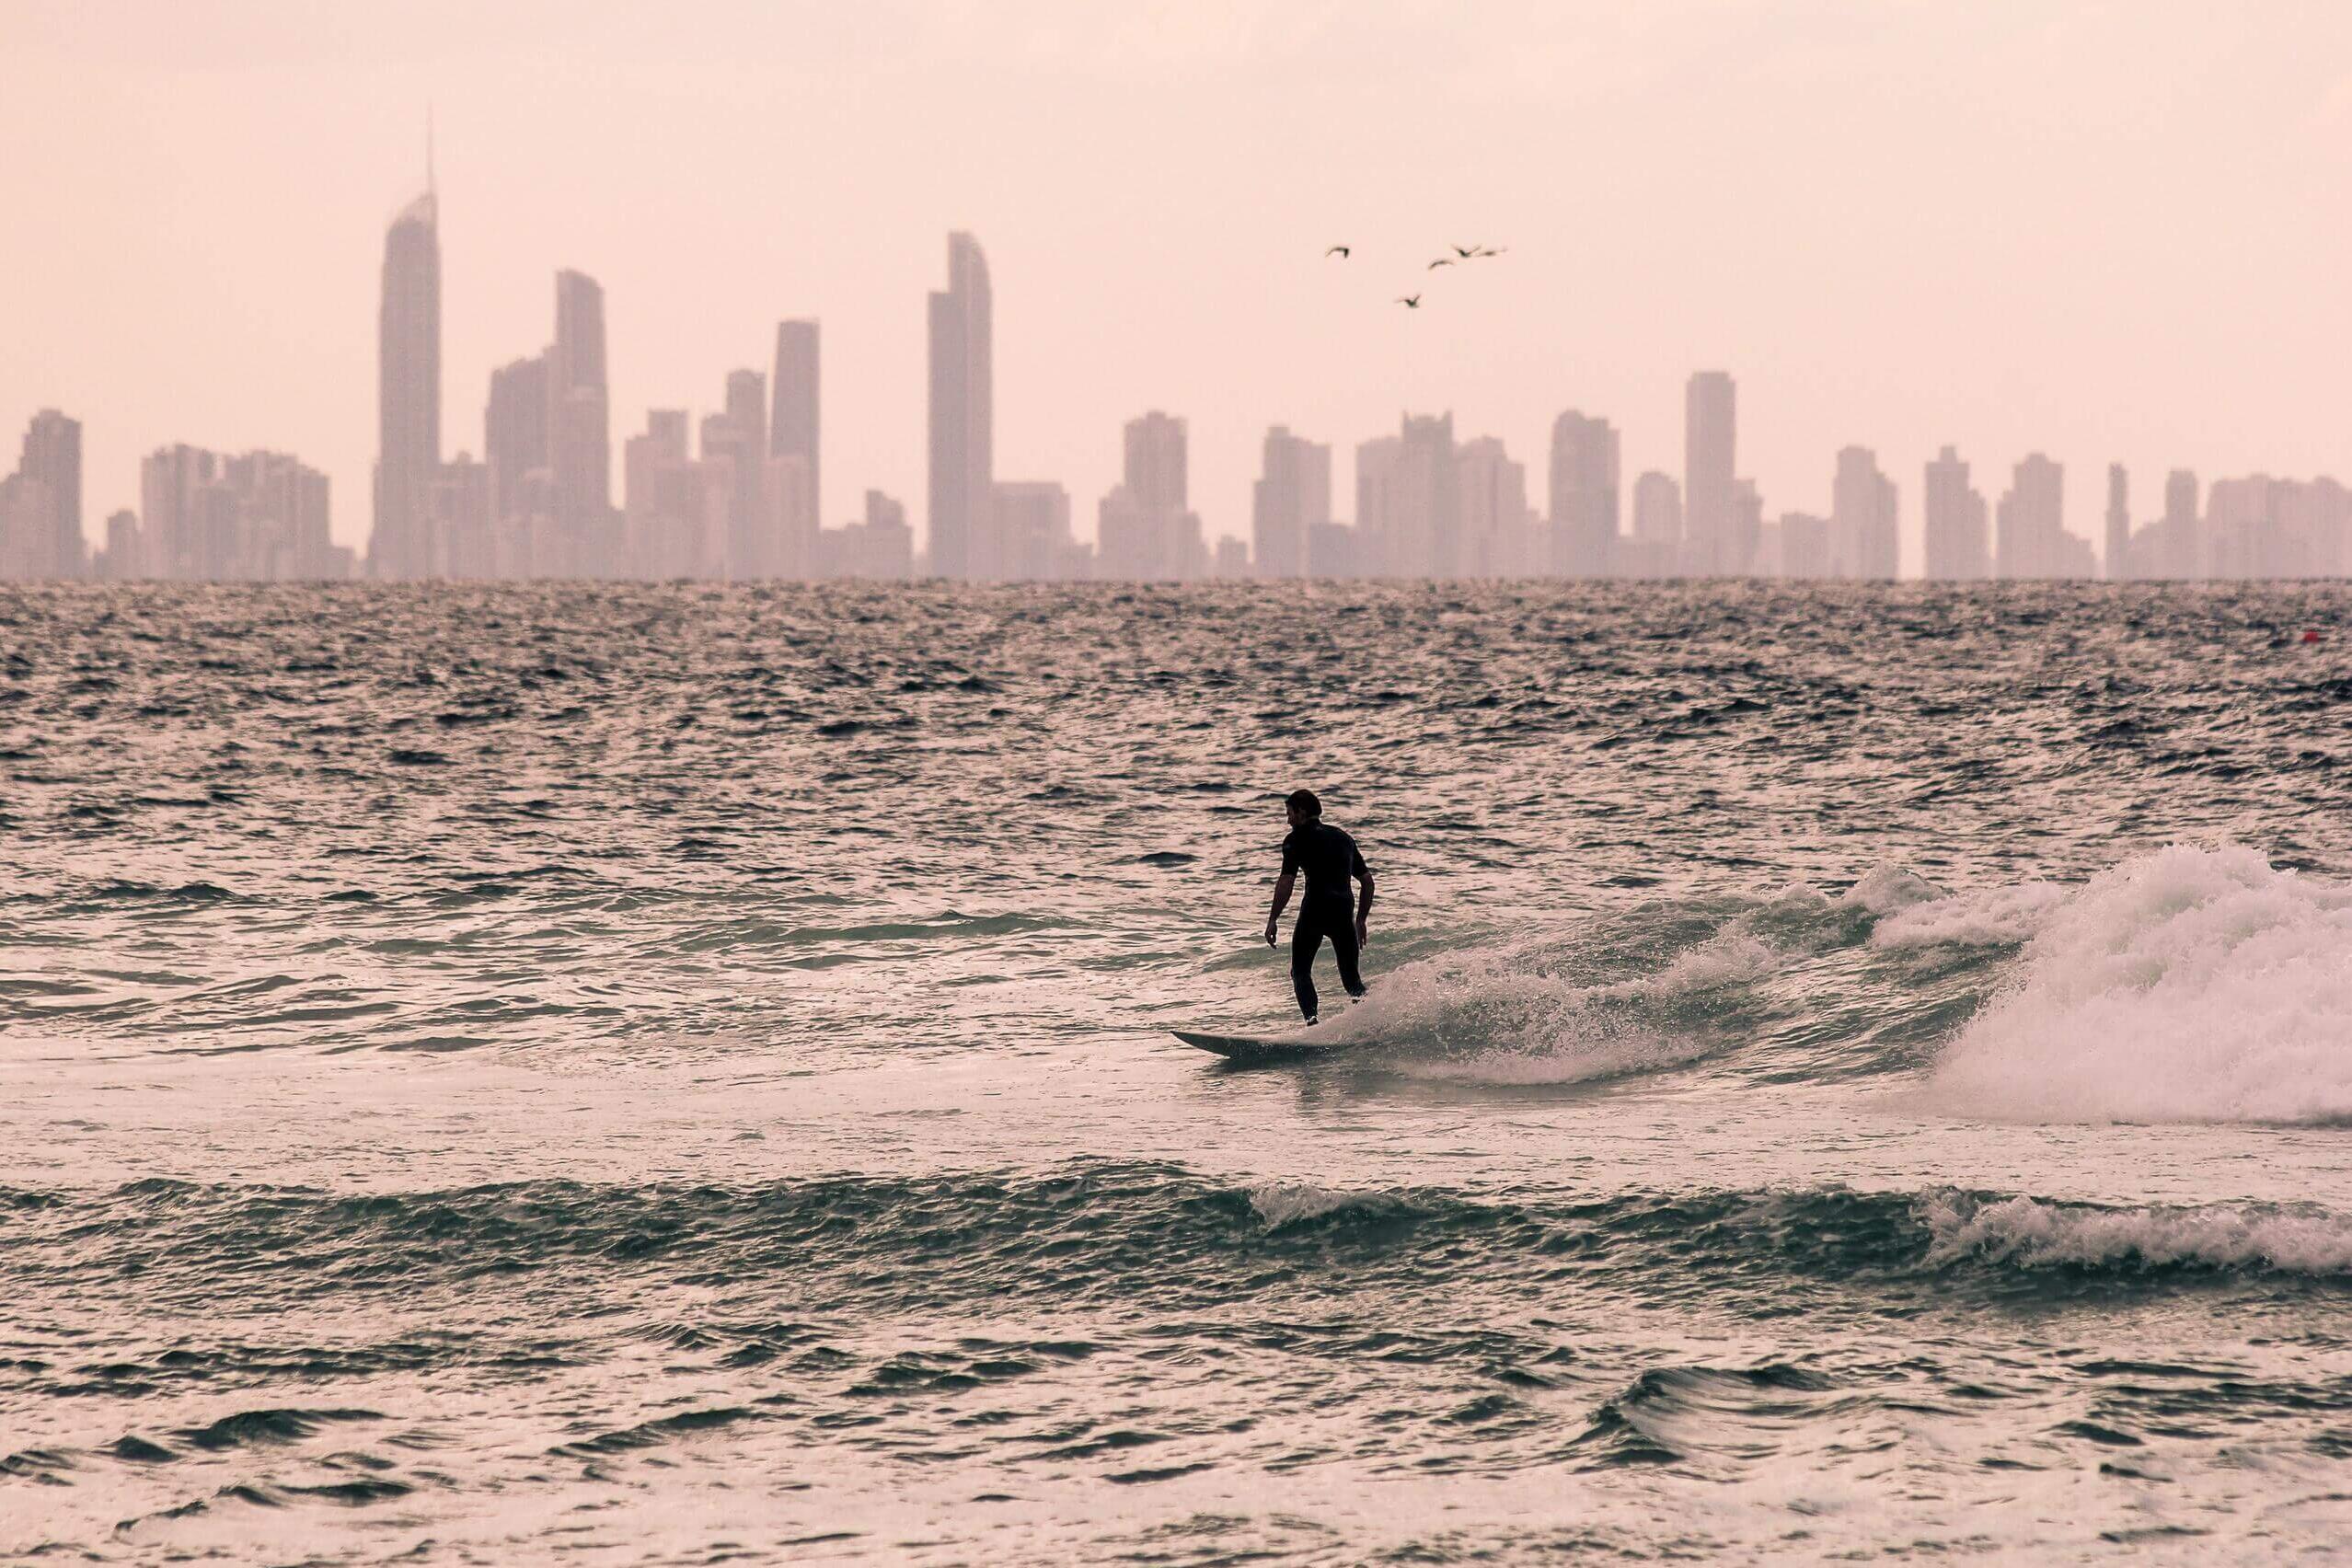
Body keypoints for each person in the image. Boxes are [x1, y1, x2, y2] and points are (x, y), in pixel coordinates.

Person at [1263, 789, 1375, 1023]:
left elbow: (1286, 882)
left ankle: (1312, 1022)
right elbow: (1367, 881)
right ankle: (1374, 1020)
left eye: (1290, 813)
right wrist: (1361, 919)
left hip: (1315, 910)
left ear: (1302, 812)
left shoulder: (1295, 840)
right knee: (1352, 981)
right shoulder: (1344, 838)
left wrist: (1273, 918)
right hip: (1343, 911)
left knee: (1300, 971)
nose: (1288, 819)